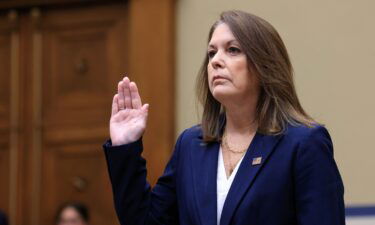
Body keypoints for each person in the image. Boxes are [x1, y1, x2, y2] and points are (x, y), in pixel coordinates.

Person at [103, 10, 345, 225]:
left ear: (265, 65)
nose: (216, 61)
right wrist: (126, 147)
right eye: (211, 53)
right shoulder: (191, 144)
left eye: (232, 50)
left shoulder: (303, 143)